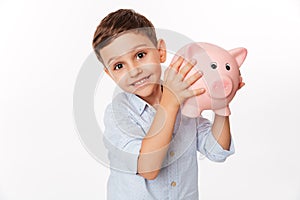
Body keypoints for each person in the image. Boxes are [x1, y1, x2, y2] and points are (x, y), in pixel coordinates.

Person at [92, 9, 236, 200]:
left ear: (160, 52)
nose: (134, 71)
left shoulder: (185, 99)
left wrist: (220, 104)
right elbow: (148, 168)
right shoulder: (118, 114)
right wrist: (170, 102)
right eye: (119, 66)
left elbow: (217, 151)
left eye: (140, 55)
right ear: (110, 74)